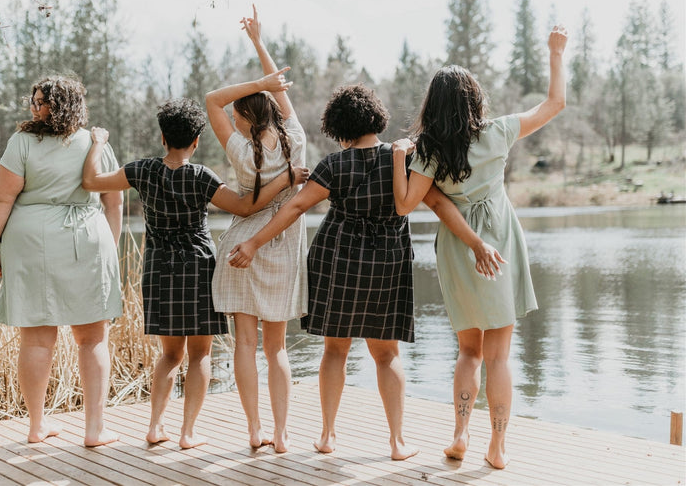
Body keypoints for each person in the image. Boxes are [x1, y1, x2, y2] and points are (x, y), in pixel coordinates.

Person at [228, 83, 497, 460]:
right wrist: (475, 242)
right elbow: (435, 200)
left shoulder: (334, 165)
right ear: (377, 118)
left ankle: (326, 435)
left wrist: (254, 243)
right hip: (386, 261)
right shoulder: (402, 157)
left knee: (335, 350)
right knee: (387, 355)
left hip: (338, 258)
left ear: (338, 126)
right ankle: (398, 442)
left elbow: (294, 208)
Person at [81, 98, 307, 449]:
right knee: (201, 355)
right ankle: (187, 433)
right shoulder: (202, 177)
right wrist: (285, 181)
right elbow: (247, 206)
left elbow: (92, 181)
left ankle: (156, 426)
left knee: (170, 355)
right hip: (198, 267)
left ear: (162, 137)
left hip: (159, 268)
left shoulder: (141, 170)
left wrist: (97, 144)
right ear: (197, 141)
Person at [392, 25, 568, 469]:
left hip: (457, 247)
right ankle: (498, 444)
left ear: (433, 104)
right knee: (498, 355)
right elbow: (555, 104)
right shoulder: (498, 132)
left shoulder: (429, 151)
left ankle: (460, 432)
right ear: (474, 99)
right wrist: (555, 52)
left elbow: (407, 204)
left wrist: (400, 158)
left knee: (468, 351)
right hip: (501, 241)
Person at [0, 75, 122, 447]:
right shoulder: (95, 142)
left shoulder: (22, 143)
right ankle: (90, 429)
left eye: (42, 102)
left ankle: (39, 426)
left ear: (62, 105)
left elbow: (1, 200)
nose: (35, 108)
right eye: (34, 101)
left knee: (39, 337)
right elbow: (113, 201)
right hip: (86, 238)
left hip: (33, 240)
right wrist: (111, 245)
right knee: (90, 338)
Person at [205, 6, 307, 453]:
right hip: (282, 247)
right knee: (277, 348)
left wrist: (259, 79)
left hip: (241, 246)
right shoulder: (296, 139)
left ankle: (254, 432)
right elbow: (279, 93)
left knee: (244, 345)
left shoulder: (240, 151)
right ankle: (282, 436)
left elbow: (212, 99)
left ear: (243, 117)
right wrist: (259, 46)